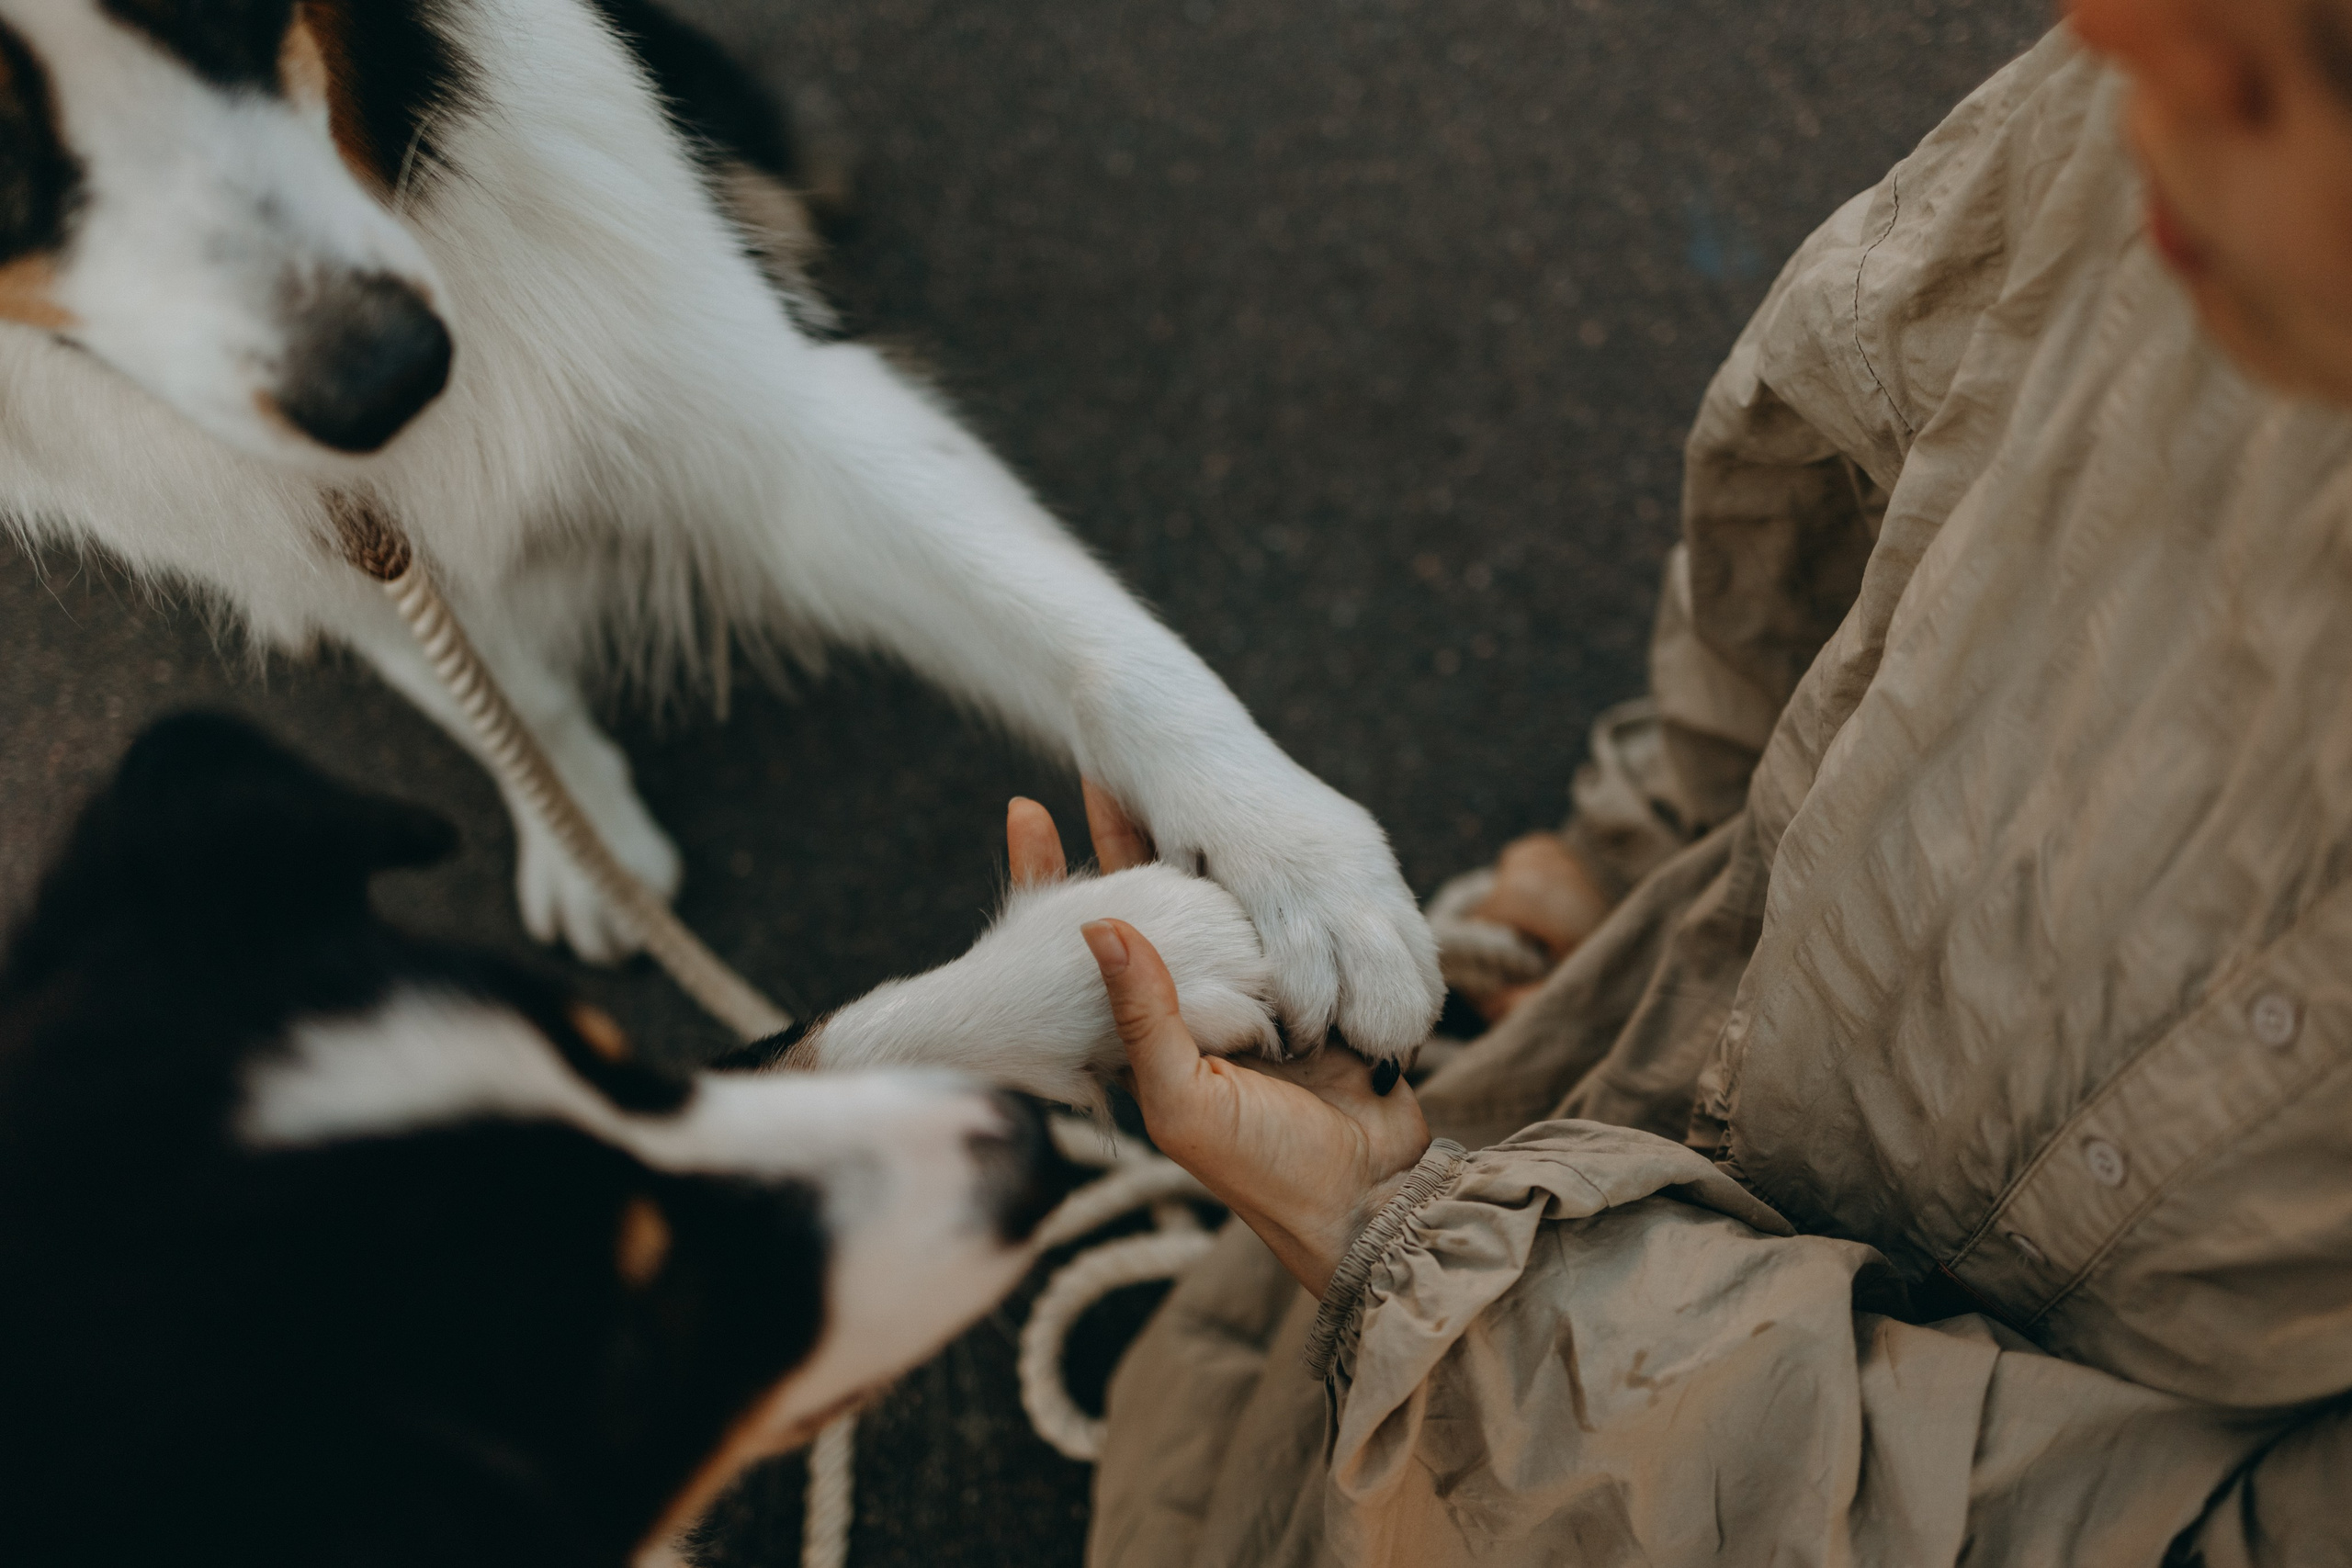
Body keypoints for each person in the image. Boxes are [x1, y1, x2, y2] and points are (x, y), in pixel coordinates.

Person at [1023, 2, 2352, 1562]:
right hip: (1627, 1122)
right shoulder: (2185, 88)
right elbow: (1829, 463)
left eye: (2321, 60)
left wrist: (1426, 1267)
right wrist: (1635, 856)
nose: (2120, 27)